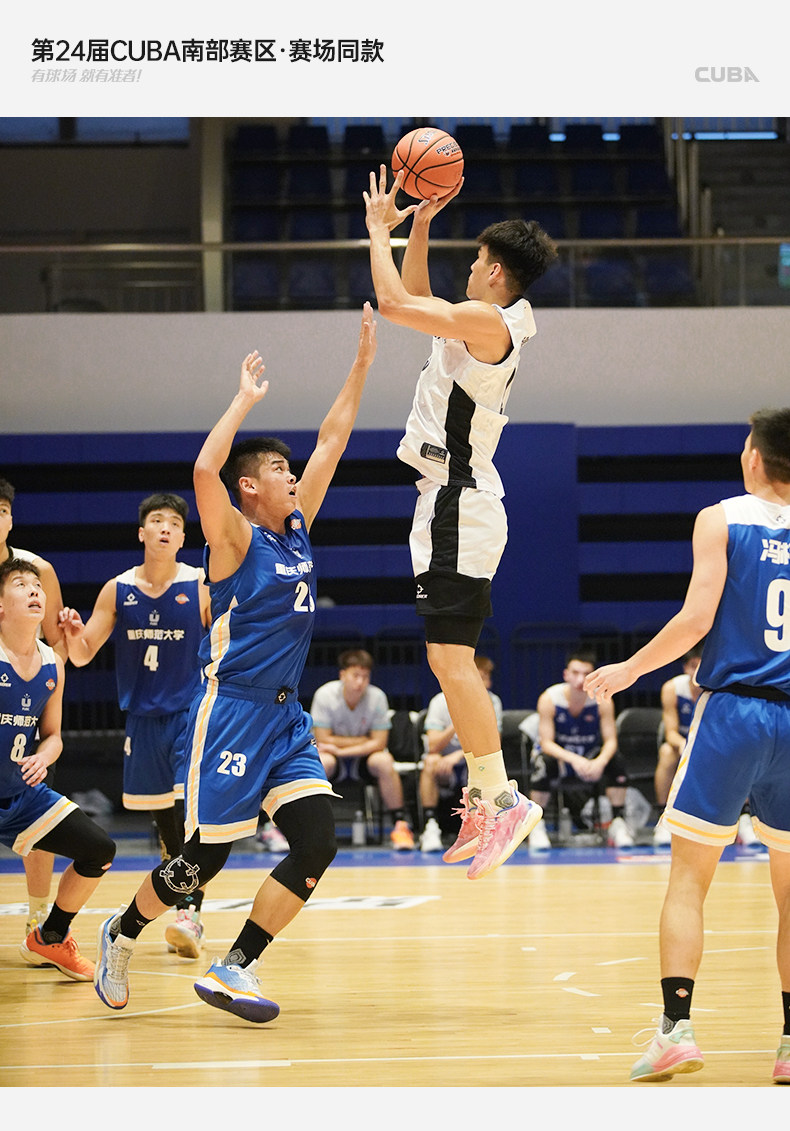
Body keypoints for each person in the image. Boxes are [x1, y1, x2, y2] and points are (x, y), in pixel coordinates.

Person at [91, 303, 378, 1023]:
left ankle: (235, 965)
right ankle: (121, 930)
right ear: (251, 487)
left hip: (285, 718)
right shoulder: (234, 541)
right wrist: (244, 399)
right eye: (280, 469)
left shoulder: (297, 531)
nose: (293, 476)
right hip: (230, 712)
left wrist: (362, 365)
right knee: (204, 858)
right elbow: (203, 468)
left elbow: (334, 438)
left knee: (317, 840)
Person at [583, 408, 790, 1085]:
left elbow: (696, 618)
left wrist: (630, 669)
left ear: (755, 457)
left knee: (688, 881)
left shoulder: (721, 517)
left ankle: (676, 1030)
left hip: (734, 712)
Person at [363, 166, 556, 880]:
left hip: (458, 501)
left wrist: (378, 229)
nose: (468, 268)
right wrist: (419, 223)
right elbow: (417, 297)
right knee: (447, 660)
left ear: (496, 271)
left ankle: (502, 796)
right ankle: (486, 793)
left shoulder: (489, 324)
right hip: (450, 501)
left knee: (451, 659)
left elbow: (393, 301)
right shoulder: (483, 322)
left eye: (476, 259)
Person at [59, 493, 212, 959]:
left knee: (187, 813)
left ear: (183, 538)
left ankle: (190, 913)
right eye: (157, 521)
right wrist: (72, 635)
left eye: (174, 523)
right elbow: (82, 654)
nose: (165, 528)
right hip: (143, 721)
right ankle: (180, 902)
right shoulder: (117, 589)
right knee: (165, 822)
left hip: (189, 714)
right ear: (141, 532)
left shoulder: (200, 583)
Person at [0, 557, 116, 980]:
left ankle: (50, 936)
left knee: (99, 850)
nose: (34, 590)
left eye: (37, 584)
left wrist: (44, 757)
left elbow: (53, 735)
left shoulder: (52, 664)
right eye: (20, 584)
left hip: (21, 794)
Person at [0, 476, 66, 939]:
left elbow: (59, 644)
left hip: (23, 712)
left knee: (40, 823)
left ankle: (38, 919)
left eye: (3, 509)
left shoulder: (37, 569)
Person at [526, 649, 634, 850]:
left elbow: (611, 741)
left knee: (617, 760)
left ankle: (617, 822)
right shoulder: (549, 699)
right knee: (543, 762)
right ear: (566, 674)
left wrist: (600, 762)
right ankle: (536, 825)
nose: (580, 679)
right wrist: (574, 760)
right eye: (575, 673)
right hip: (562, 758)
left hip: (590, 757)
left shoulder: (603, 699)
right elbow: (547, 743)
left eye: (586, 674)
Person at [311, 648, 414, 850]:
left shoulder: (377, 697)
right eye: (355, 675)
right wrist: (364, 741)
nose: (360, 682)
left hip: (362, 759)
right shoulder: (324, 695)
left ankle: (400, 826)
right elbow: (323, 739)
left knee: (384, 761)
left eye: (365, 677)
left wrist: (341, 748)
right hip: (334, 757)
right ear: (342, 675)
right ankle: (310, 827)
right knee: (322, 761)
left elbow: (379, 743)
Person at [418, 654, 503, 853]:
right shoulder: (441, 701)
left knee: (484, 764)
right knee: (430, 761)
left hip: (472, 759)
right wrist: (459, 715)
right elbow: (433, 745)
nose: (482, 684)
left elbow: (494, 744)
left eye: (485, 678)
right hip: (443, 761)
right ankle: (430, 826)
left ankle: (484, 827)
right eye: (477, 678)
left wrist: (459, 756)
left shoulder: (492, 701)